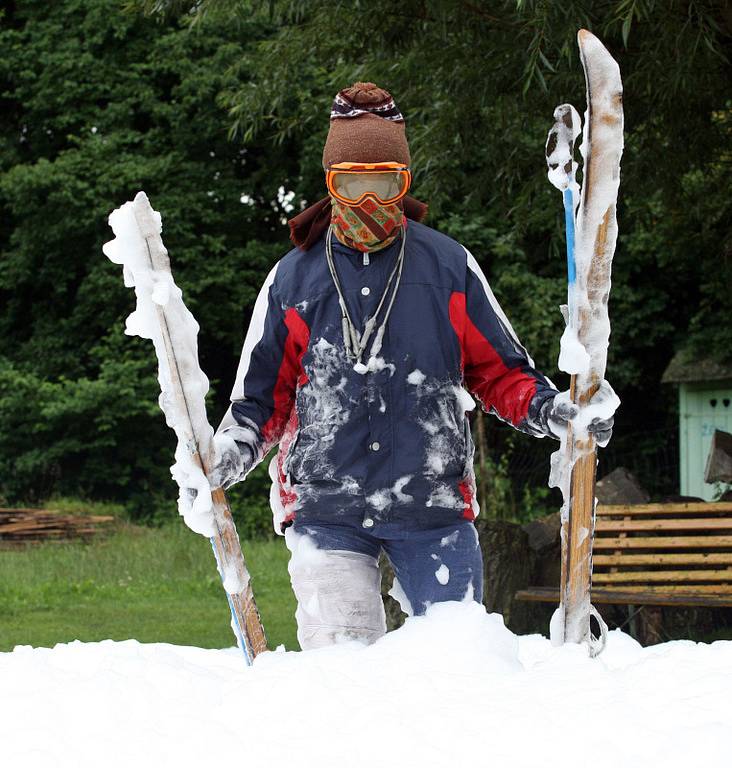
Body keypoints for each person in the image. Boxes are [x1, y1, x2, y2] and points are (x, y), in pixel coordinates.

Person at [206, 82, 614, 650]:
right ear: (331, 184)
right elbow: (259, 401)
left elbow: (501, 373)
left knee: (454, 670)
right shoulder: (292, 281)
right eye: (352, 182)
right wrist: (230, 450)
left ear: (405, 182)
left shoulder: (448, 267)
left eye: (385, 182)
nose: (369, 200)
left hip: (434, 506)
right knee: (342, 672)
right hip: (327, 507)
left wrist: (553, 409)